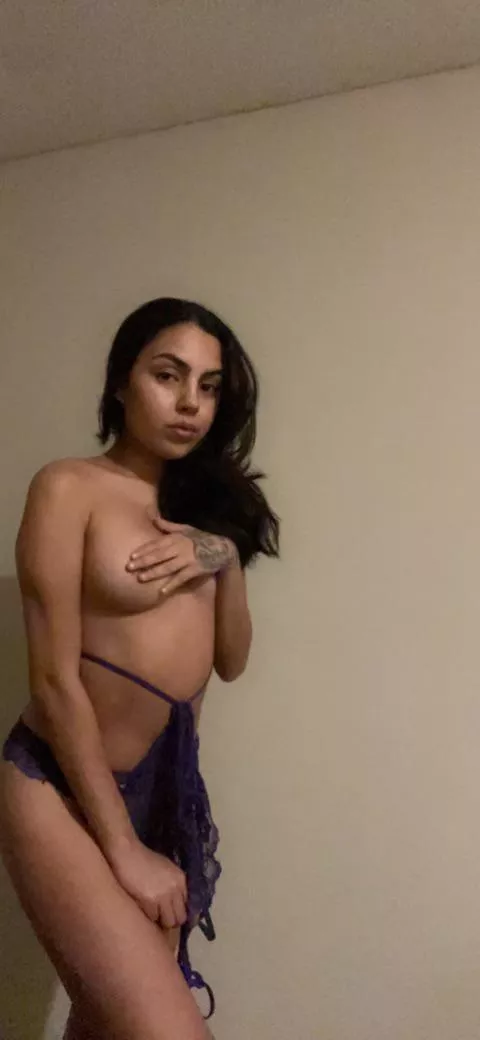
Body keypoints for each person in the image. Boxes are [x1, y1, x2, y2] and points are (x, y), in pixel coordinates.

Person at [0, 297, 279, 1040]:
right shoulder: (67, 487)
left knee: (105, 1026)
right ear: (122, 381)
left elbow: (232, 660)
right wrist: (122, 846)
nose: (190, 403)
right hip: (61, 788)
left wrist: (223, 554)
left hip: (165, 793)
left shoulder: (206, 512)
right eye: (168, 375)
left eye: (209, 387)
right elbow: (52, 681)